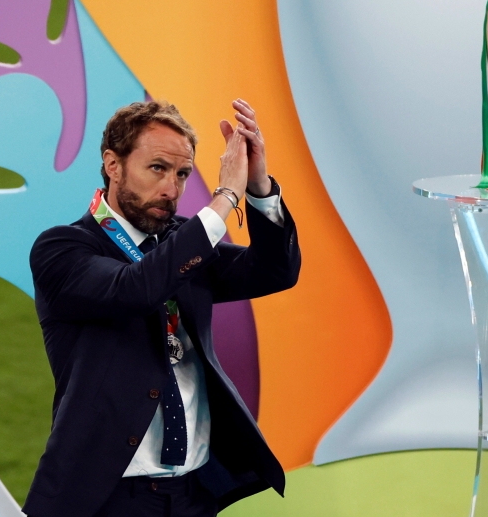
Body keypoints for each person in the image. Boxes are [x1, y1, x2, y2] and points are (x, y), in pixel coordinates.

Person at [23, 99, 301, 517]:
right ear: (113, 164)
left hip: (193, 495)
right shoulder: (62, 249)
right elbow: (137, 288)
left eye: (183, 173)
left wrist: (259, 186)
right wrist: (224, 196)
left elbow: (273, 271)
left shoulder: (183, 243)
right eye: (157, 168)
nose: (171, 188)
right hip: (108, 498)